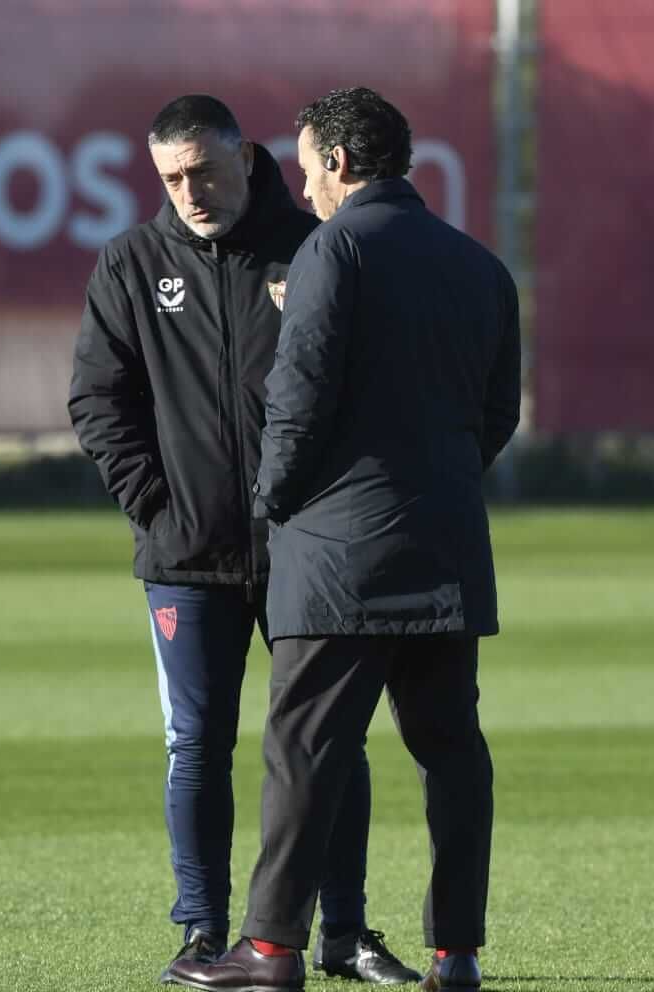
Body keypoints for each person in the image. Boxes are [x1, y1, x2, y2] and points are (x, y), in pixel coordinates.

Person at [166, 87, 521, 992]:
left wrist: (274, 499)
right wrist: (433, 485)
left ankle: (272, 948)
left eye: (311, 164)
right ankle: (458, 952)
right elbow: (497, 415)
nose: (310, 185)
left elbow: (300, 396)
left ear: (336, 162)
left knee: (305, 747)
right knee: (451, 752)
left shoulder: (334, 250)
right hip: (444, 545)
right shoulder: (480, 265)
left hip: (337, 554)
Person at [68, 94, 420, 986]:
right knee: (197, 746)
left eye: (204, 171)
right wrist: (156, 505)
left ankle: (343, 930)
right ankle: (201, 929)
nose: (191, 192)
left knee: (329, 745)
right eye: (172, 178)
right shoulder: (132, 265)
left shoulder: (314, 250)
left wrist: (326, 512)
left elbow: (364, 393)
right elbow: (98, 403)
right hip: (186, 558)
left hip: (308, 552)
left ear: (247, 157)